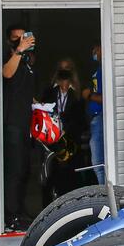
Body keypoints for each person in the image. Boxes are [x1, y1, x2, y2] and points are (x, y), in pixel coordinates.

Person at [2, 24, 37, 232]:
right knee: (13, 171)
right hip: (11, 122)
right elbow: (7, 74)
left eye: (23, 37)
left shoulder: (28, 62)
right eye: (16, 38)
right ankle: (10, 216)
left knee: (24, 170)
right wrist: (18, 50)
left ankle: (21, 213)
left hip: (26, 123)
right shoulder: (11, 57)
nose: (20, 40)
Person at [39, 57, 89, 202]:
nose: (64, 73)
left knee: (72, 174)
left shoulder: (79, 92)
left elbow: (81, 119)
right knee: (51, 175)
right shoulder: (49, 91)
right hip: (52, 140)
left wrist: (67, 129)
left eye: (67, 68)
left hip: (72, 140)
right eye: (61, 68)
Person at [82, 41, 105, 184]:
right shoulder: (99, 69)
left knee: (99, 163)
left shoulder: (105, 70)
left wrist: (89, 95)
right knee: (97, 163)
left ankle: (105, 198)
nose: (94, 53)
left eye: (97, 49)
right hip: (96, 119)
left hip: (102, 118)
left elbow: (107, 98)